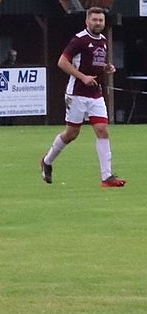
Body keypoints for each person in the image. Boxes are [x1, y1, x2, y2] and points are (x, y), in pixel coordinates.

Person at [40, 6, 126, 187]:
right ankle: (47, 161)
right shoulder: (79, 40)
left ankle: (107, 177)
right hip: (77, 93)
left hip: (95, 94)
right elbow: (62, 62)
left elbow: (96, 63)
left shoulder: (102, 40)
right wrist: (83, 77)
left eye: (101, 20)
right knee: (72, 133)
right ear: (87, 21)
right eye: (94, 20)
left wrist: (107, 68)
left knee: (102, 130)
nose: (98, 23)